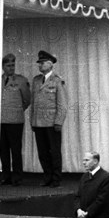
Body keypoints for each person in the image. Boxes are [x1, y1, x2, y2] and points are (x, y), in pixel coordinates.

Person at [0, 54, 31, 186]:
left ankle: (17, 177)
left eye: (13, 65)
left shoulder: (21, 80)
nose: (11, 68)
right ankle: (6, 176)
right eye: (8, 65)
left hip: (15, 121)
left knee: (15, 150)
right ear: (3, 67)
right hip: (0, 120)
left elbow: (26, 100)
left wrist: (16, 110)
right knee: (3, 150)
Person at [30, 50, 67, 188]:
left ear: (50, 64)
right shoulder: (36, 80)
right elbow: (33, 103)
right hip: (39, 122)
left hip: (52, 123)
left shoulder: (57, 81)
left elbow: (62, 104)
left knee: (54, 151)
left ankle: (56, 178)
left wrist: (59, 121)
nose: (40, 66)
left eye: (43, 63)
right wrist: (32, 122)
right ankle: (47, 176)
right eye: (39, 63)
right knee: (43, 152)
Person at [74, 152, 109, 218]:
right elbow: (78, 196)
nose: (84, 163)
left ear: (95, 161)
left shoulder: (105, 177)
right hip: (82, 217)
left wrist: (88, 213)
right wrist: (78, 210)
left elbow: (102, 200)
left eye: (87, 160)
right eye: (83, 160)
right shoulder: (84, 177)